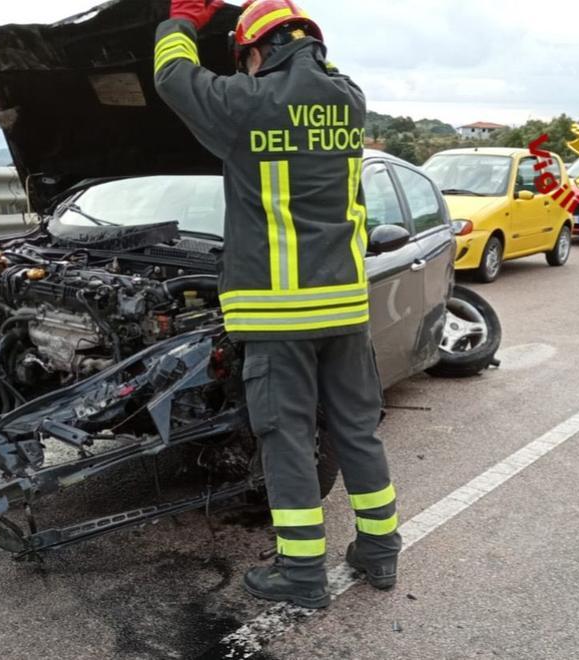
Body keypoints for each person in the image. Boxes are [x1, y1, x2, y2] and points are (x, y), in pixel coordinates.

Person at [152, 0, 402, 610]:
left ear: (254, 53)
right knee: (356, 431)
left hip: (277, 313)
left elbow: (172, 78)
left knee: (287, 438)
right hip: (344, 309)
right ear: (312, 46)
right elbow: (311, 65)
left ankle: (301, 573)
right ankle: (379, 551)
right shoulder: (349, 99)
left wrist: (181, 21)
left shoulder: (246, 103)